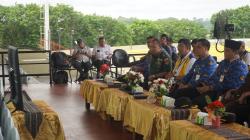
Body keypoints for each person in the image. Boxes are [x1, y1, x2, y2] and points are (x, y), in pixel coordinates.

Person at [171, 39, 248, 110]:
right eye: (224, 50)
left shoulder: (240, 66)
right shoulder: (223, 63)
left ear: (235, 52)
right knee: (181, 94)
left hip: (224, 94)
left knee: (198, 104)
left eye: (227, 51)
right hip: (212, 90)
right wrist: (206, 86)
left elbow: (231, 84)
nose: (224, 53)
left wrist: (210, 87)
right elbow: (213, 77)